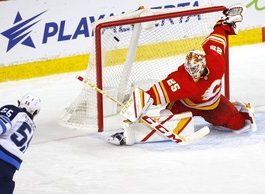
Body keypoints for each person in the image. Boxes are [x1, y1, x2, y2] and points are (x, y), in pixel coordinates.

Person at [107, 4, 257, 146]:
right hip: (184, 105)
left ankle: (236, 108)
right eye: (191, 72)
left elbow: (219, 35)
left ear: (204, 64)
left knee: (239, 124)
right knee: (165, 116)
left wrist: (226, 22)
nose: (194, 76)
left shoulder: (216, 60)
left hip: (214, 105)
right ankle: (133, 133)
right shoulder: (182, 80)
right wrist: (131, 115)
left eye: (197, 72)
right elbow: (151, 94)